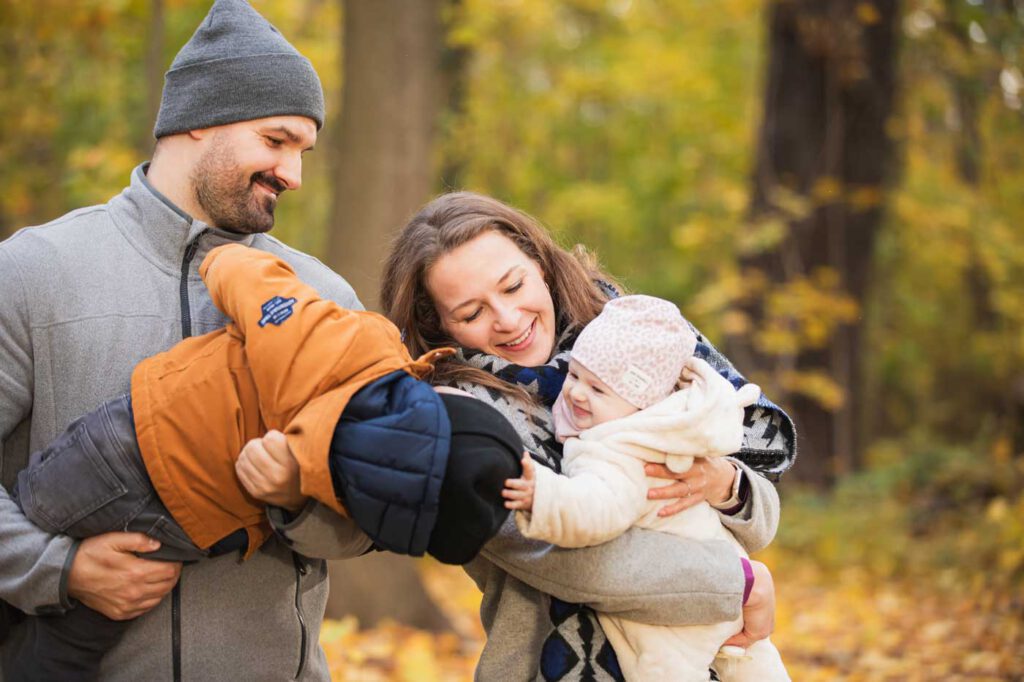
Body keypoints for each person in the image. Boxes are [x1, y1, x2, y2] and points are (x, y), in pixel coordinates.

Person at [0, 1, 378, 678]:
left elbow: (369, 520)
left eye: (303, 151)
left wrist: (297, 493)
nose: (294, 174)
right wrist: (59, 569)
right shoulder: (34, 271)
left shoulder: (323, 298)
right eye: (277, 140)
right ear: (200, 118)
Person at [3, 244, 523, 680]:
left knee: (43, 528)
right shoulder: (370, 495)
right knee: (71, 623)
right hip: (179, 507)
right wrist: (60, 570)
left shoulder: (344, 335)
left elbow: (252, 283)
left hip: (146, 466)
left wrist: (221, 260)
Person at [381, 191, 797, 681]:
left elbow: (758, 505)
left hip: (719, 660)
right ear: (437, 325)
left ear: (539, 264)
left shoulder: (631, 338)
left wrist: (723, 481)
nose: (508, 320)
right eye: (472, 314)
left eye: (513, 286)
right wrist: (739, 584)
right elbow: (571, 562)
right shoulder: (453, 416)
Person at [502, 294, 790, 681]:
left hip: (675, 619)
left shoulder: (613, 449)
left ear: (643, 404)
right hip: (723, 583)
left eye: (598, 389)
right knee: (760, 668)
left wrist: (544, 496)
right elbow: (571, 564)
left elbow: (598, 509)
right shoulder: (682, 424)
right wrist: (743, 581)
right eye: (574, 376)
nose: (576, 394)